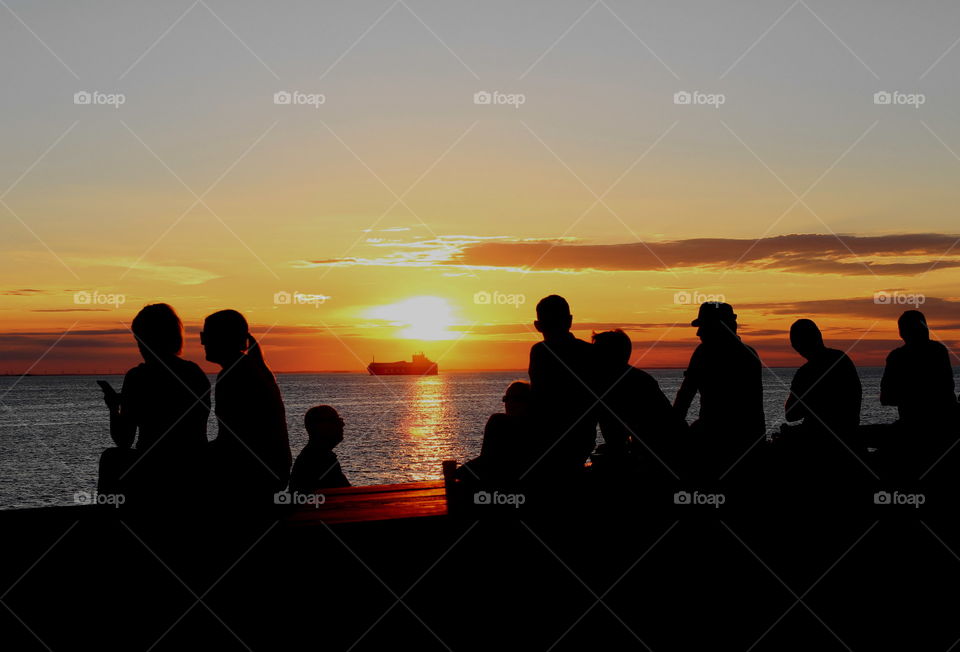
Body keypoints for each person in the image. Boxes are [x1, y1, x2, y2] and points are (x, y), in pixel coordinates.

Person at [98, 303, 210, 507]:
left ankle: (110, 524)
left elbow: (124, 440)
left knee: (111, 458)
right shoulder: (195, 373)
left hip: (153, 467)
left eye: (139, 339)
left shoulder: (138, 376)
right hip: (196, 465)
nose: (139, 346)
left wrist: (114, 408)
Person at [202, 310, 292, 507]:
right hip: (273, 474)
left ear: (222, 338)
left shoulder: (234, 376)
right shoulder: (251, 368)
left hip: (254, 479)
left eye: (205, 336)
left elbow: (232, 443)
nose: (202, 342)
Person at [674, 302, 765, 477]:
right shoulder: (750, 354)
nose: (698, 333)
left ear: (717, 327)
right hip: (750, 445)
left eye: (703, 327)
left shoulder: (704, 353)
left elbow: (684, 399)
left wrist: (671, 432)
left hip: (714, 446)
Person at [592, 329, 685, 474]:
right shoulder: (637, 379)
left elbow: (616, 432)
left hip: (664, 456)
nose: (593, 357)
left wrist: (617, 450)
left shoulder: (624, 384)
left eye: (598, 352)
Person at [878, 310, 958, 476]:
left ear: (902, 333)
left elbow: (886, 398)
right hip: (943, 426)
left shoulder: (897, 357)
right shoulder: (939, 351)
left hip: (917, 430)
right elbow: (947, 390)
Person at [527, 295, 598, 476]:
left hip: (549, 437)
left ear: (538, 326)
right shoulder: (589, 352)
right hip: (582, 438)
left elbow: (539, 399)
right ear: (570, 321)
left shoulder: (540, 352)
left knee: (498, 423)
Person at [783, 319, 862, 440]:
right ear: (819, 335)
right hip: (849, 432)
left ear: (796, 345)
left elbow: (791, 414)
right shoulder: (842, 358)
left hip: (820, 439)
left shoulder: (806, 372)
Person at [457, 381, 536, 484]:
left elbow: (486, 460)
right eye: (506, 399)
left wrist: (457, 473)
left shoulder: (498, 422)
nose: (510, 403)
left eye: (516, 399)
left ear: (528, 401)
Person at [289, 405, 350, 493]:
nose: (342, 424)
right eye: (336, 420)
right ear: (321, 427)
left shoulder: (321, 457)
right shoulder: (317, 461)